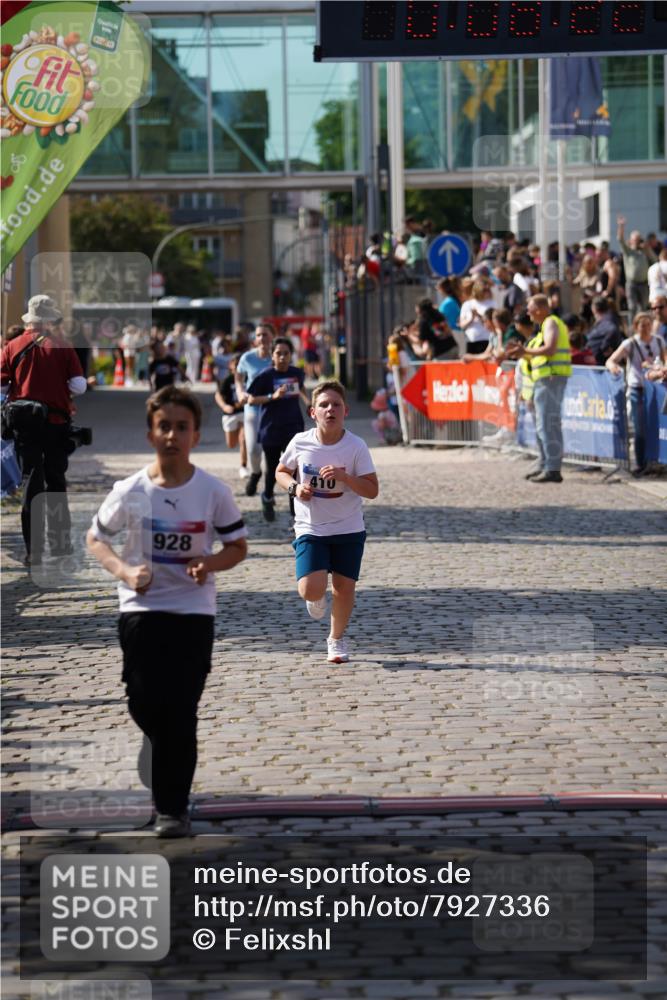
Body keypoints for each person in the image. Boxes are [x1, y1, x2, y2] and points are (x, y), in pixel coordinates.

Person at [86, 386, 247, 837]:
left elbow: (237, 546)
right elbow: (96, 538)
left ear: (195, 434)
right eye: (164, 427)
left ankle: (172, 808)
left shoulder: (212, 491)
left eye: (182, 427)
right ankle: (160, 750)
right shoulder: (131, 490)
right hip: (141, 607)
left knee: (182, 709)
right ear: (150, 433)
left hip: (194, 611)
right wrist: (123, 570)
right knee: (144, 703)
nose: (172, 435)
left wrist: (210, 563)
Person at [275, 380, 379, 664]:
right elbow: (281, 471)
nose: (330, 409)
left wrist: (345, 478)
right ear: (313, 412)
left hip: (348, 527)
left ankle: (336, 639)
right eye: (324, 405)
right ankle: (316, 595)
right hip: (311, 526)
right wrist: (295, 488)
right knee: (311, 588)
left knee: (344, 587)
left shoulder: (356, 446)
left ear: (345, 410)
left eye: (335, 405)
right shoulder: (300, 442)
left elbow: (372, 490)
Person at [0, 295, 87, 565]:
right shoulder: (62, 345)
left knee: (31, 486)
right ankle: (60, 547)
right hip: (56, 425)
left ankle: (33, 552)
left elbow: (2, 387)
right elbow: (79, 386)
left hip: (25, 428)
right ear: (49, 320)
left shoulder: (11, 346)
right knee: (56, 483)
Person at [506, 294, 572, 483]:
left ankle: (553, 468)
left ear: (542, 308)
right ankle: (546, 464)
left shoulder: (551, 322)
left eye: (531, 308)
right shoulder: (544, 327)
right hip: (545, 380)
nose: (528, 312)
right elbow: (540, 355)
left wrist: (524, 351)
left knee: (548, 424)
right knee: (543, 425)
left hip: (551, 378)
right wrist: (521, 353)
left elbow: (550, 350)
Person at [246, 338, 309, 521]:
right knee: (274, 469)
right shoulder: (265, 376)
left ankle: (294, 512)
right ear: (272, 356)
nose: (282, 357)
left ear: (291, 355)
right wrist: (272, 396)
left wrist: (309, 404)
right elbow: (251, 399)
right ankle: (267, 496)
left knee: (293, 470)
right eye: (278, 353)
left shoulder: (296, 373)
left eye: (286, 353)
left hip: (293, 427)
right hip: (271, 428)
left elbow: (302, 389)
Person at [606, 311, 667, 476]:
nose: (646, 329)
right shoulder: (630, 343)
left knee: (656, 426)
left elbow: (665, 358)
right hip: (637, 389)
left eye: (648, 325)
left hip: (656, 390)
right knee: (640, 428)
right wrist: (614, 368)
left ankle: (656, 461)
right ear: (636, 327)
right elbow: (611, 360)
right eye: (642, 326)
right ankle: (641, 463)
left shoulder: (659, 341)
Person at [235, 323, 274, 497]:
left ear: (272, 336)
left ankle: (270, 483)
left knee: (272, 450)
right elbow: (238, 377)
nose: (262, 338)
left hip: (274, 408)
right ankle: (256, 472)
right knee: (253, 449)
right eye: (258, 335)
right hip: (252, 408)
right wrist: (240, 392)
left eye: (265, 334)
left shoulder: (278, 356)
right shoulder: (247, 358)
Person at [214, 353, 248, 479]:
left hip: (245, 413)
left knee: (243, 438)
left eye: (241, 364)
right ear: (231, 366)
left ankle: (243, 466)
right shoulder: (227, 380)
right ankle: (239, 437)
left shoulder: (248, 379)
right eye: (236, 364)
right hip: (231, 413)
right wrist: (224, 406)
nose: (239, 367)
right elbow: (217, 395)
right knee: (231, 444)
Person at [617, 216, 650, 317]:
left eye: (638, 239)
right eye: (635, 239)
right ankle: (633, 328)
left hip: (644, 284)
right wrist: (621, 226)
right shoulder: (628, 252)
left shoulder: (644, 252)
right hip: (632, 284)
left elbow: (655, 259)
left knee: (644, 308)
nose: (637, 241)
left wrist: (647, 248)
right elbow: (620, 239)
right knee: (632, 307)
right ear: (631, 240)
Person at [585, 296, 624, 366]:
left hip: (602, 365)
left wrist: (602, 350)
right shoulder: (602, 320)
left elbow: (612, 330)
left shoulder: (607, 320)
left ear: (594, 308)